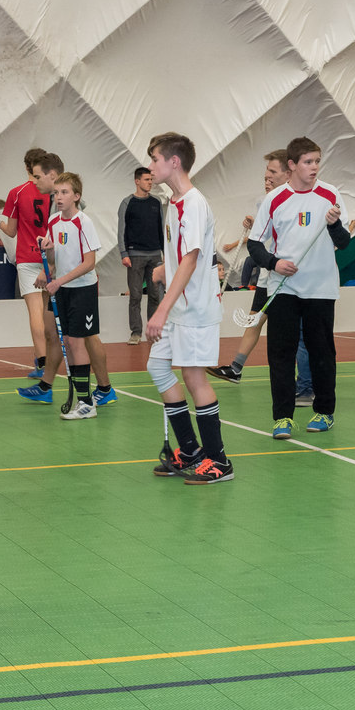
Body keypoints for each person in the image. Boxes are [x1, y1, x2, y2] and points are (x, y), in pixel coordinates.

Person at [245, 137, 348, 437]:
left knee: (321, 353)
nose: (314, 167)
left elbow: (344, 242)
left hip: (321, 288)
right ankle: (282, 418)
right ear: (292, 165)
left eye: (317, 161)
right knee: (280, 353)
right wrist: (274, 263)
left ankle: (324, 412)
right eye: (308, 162)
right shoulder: (274, 199)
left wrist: (334, 225)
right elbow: (254, 244)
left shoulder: (330, 194)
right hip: (283, 288)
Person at [146, 132, 232, 484]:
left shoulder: (193, 203)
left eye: (155, 159)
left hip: (194, 307)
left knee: (194, 377)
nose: (150, 166)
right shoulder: (174, 202)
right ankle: (192, 450)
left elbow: (192, 259)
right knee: (158, 367)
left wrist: (161, 309)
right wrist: (164, 267)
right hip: (180, 306)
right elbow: (182, 254)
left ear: (174, 162)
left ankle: (219, 461)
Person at [25, 173, 108, 419]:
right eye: (56, 193)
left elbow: (89, 263)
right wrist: (49, 253)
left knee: (77, 343)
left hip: (82, 289)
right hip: (62, 290)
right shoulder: (53, 221)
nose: (58, 198)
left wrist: (59, 281)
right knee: (69, 343)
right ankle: (84, 400)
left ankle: (87, 404)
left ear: (76, 196)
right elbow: (55, 259)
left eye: (64, 193)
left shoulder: (84, 222)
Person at [209, 150, 289, 384]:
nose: (267, 180)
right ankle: (236, 368)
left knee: (284, 330)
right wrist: (254, 225)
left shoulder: (292, 201)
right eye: (265, 176)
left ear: (288, 172)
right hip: (267, 275)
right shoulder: (264, 202)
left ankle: (302, 380)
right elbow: (265, 235)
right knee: (254, 320)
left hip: (285, 277)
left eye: (272, 174)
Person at [0, 149, 60, 378]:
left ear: (27, 167)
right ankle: (49, 360)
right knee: (46, 312)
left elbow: (11, 231)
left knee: (35, 313)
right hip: (51, 257)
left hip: (27, 257)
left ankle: (42, 362)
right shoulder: (55, 191)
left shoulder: (17, 192)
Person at [117, 166, 165, 345]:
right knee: (135, 295)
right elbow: (121, 230)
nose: (150, 182)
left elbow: (161, 229)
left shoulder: (156, 202)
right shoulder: (127, 203)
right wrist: (124, 253)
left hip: (155, 255)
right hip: (134, 255)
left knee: (155, 295)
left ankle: (153, 331)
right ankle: (136, 333)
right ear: (137, 181)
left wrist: (164, 254)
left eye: (151, 179)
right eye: (146, 179)